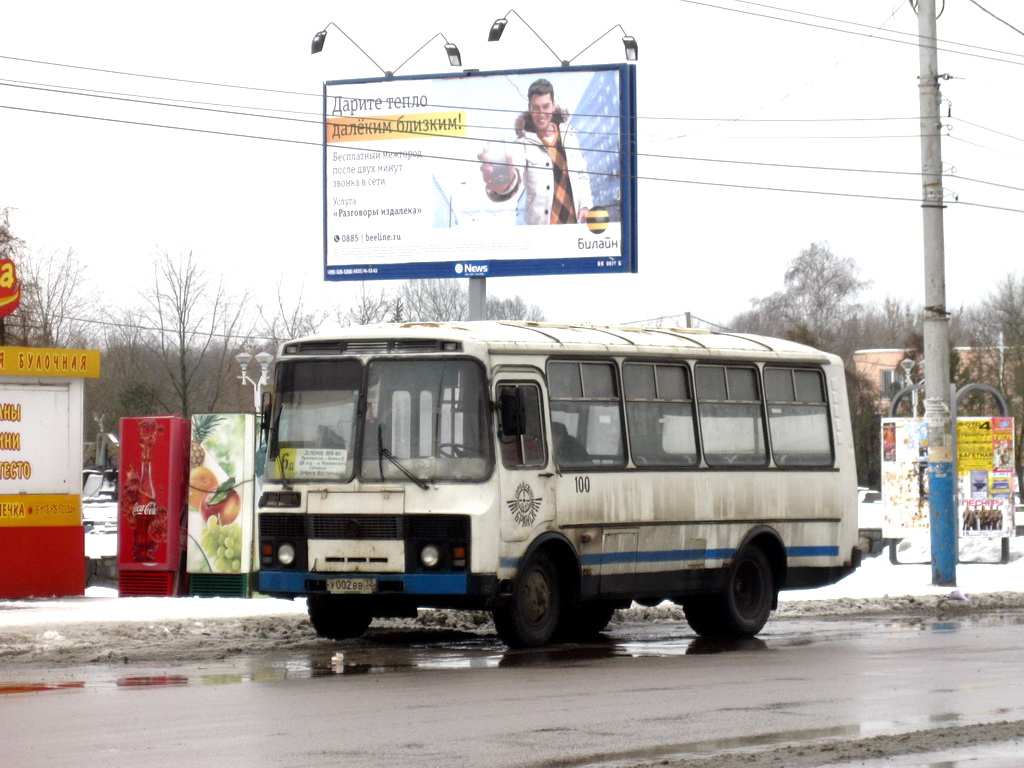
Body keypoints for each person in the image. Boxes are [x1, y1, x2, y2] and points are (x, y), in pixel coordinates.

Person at [479, 78, 592, 225]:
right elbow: (515, 177)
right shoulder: (522, 144)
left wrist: (585, 206)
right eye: (536, 108)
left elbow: (582, 175)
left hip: (573, 227)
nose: (541, 113)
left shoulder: (569, 135)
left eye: (545, 106)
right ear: (529, 108)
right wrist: (504, 185)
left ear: (553, 105)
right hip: (542, 232)